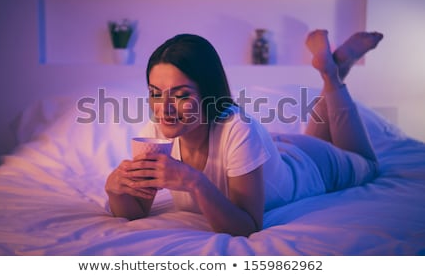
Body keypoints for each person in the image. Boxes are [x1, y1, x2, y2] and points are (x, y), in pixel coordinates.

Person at [105, 30, 383, 237]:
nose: (163, 108)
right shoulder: (155, 132)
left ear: (209, 94)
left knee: (367, 164)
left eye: (180, 95)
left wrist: (193, 181)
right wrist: (115, 191)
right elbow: (137, 211)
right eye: (155, 94)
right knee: (317, 136)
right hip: (275, 151)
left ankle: (332, 75)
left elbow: (248, 225)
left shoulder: (238, 128)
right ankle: (333, 69)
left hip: (311, 166)